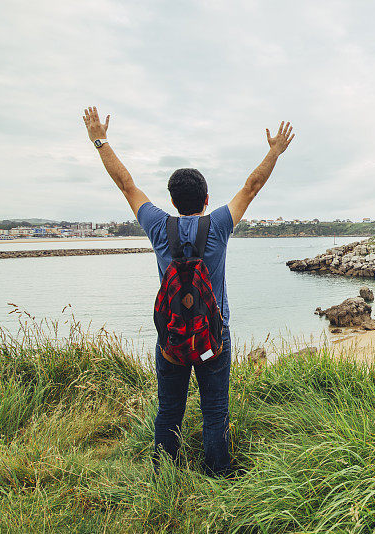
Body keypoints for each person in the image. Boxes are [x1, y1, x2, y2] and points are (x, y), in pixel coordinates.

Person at [82, 106, 294, 475]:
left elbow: (127, 185)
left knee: (169, 409)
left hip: (171, 337)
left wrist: (100, 141)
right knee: (215, 409)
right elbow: (251, 186)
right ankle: (219, 471)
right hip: (214, 334)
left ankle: (165, 473)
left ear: (172, 200)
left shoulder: (157, 225)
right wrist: (274, 150)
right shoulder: (219, 225)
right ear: (207, 198)